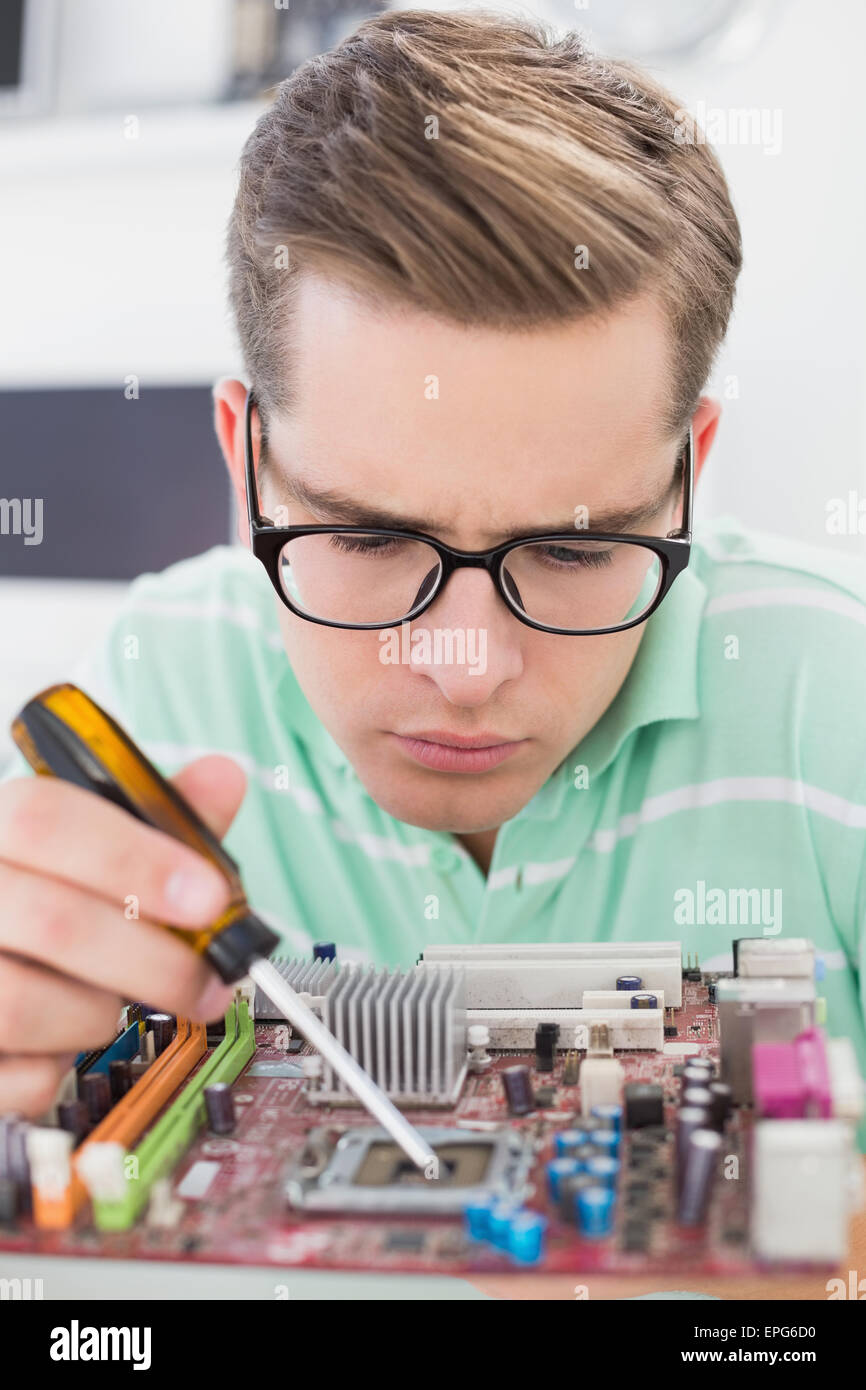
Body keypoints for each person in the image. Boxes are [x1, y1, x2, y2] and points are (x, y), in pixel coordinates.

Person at [1, 6, 864, 1182]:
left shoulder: (839, 704)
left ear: (684, 480)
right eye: (366, 535)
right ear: (245, 458)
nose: (464, 668)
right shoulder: (153, 690)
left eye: (569, 550)